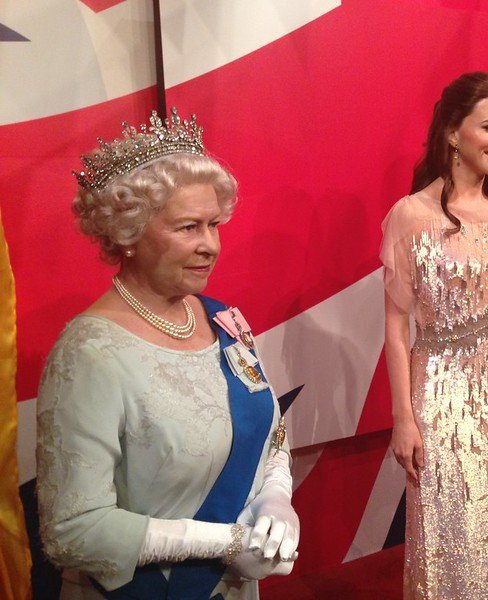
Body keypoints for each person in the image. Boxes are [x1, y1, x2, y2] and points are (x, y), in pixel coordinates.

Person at [36, 108, 299, 599]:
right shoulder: (89, 353)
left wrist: (277, 499)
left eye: (214, 224)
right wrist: (227, 540)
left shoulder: (224, 321)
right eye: (187, 228)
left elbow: (271, 435)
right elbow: (71, 532)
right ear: (128, 235)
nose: (210, 246)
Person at [381, 72, 488, 599]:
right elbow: (395, 325)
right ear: (453, 133)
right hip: (439, 391)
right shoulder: (411, 215)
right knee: (445, 530)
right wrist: (402, 419)